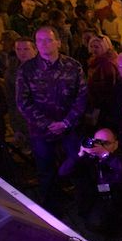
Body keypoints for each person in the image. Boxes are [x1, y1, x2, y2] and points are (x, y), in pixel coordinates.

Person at [16, 26, 88, 206]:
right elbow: (22, 102)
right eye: (39, 40)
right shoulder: (27, 69)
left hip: (69, 127)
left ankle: (84, 206)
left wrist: (66, 122)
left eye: (48, 40)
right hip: (41, 130)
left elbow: (82, 97)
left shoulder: (73, 66)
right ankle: (52, 208)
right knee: (45, 171)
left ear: (58, 42)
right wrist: (47, 124)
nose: (43, 44)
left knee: (78, 166)